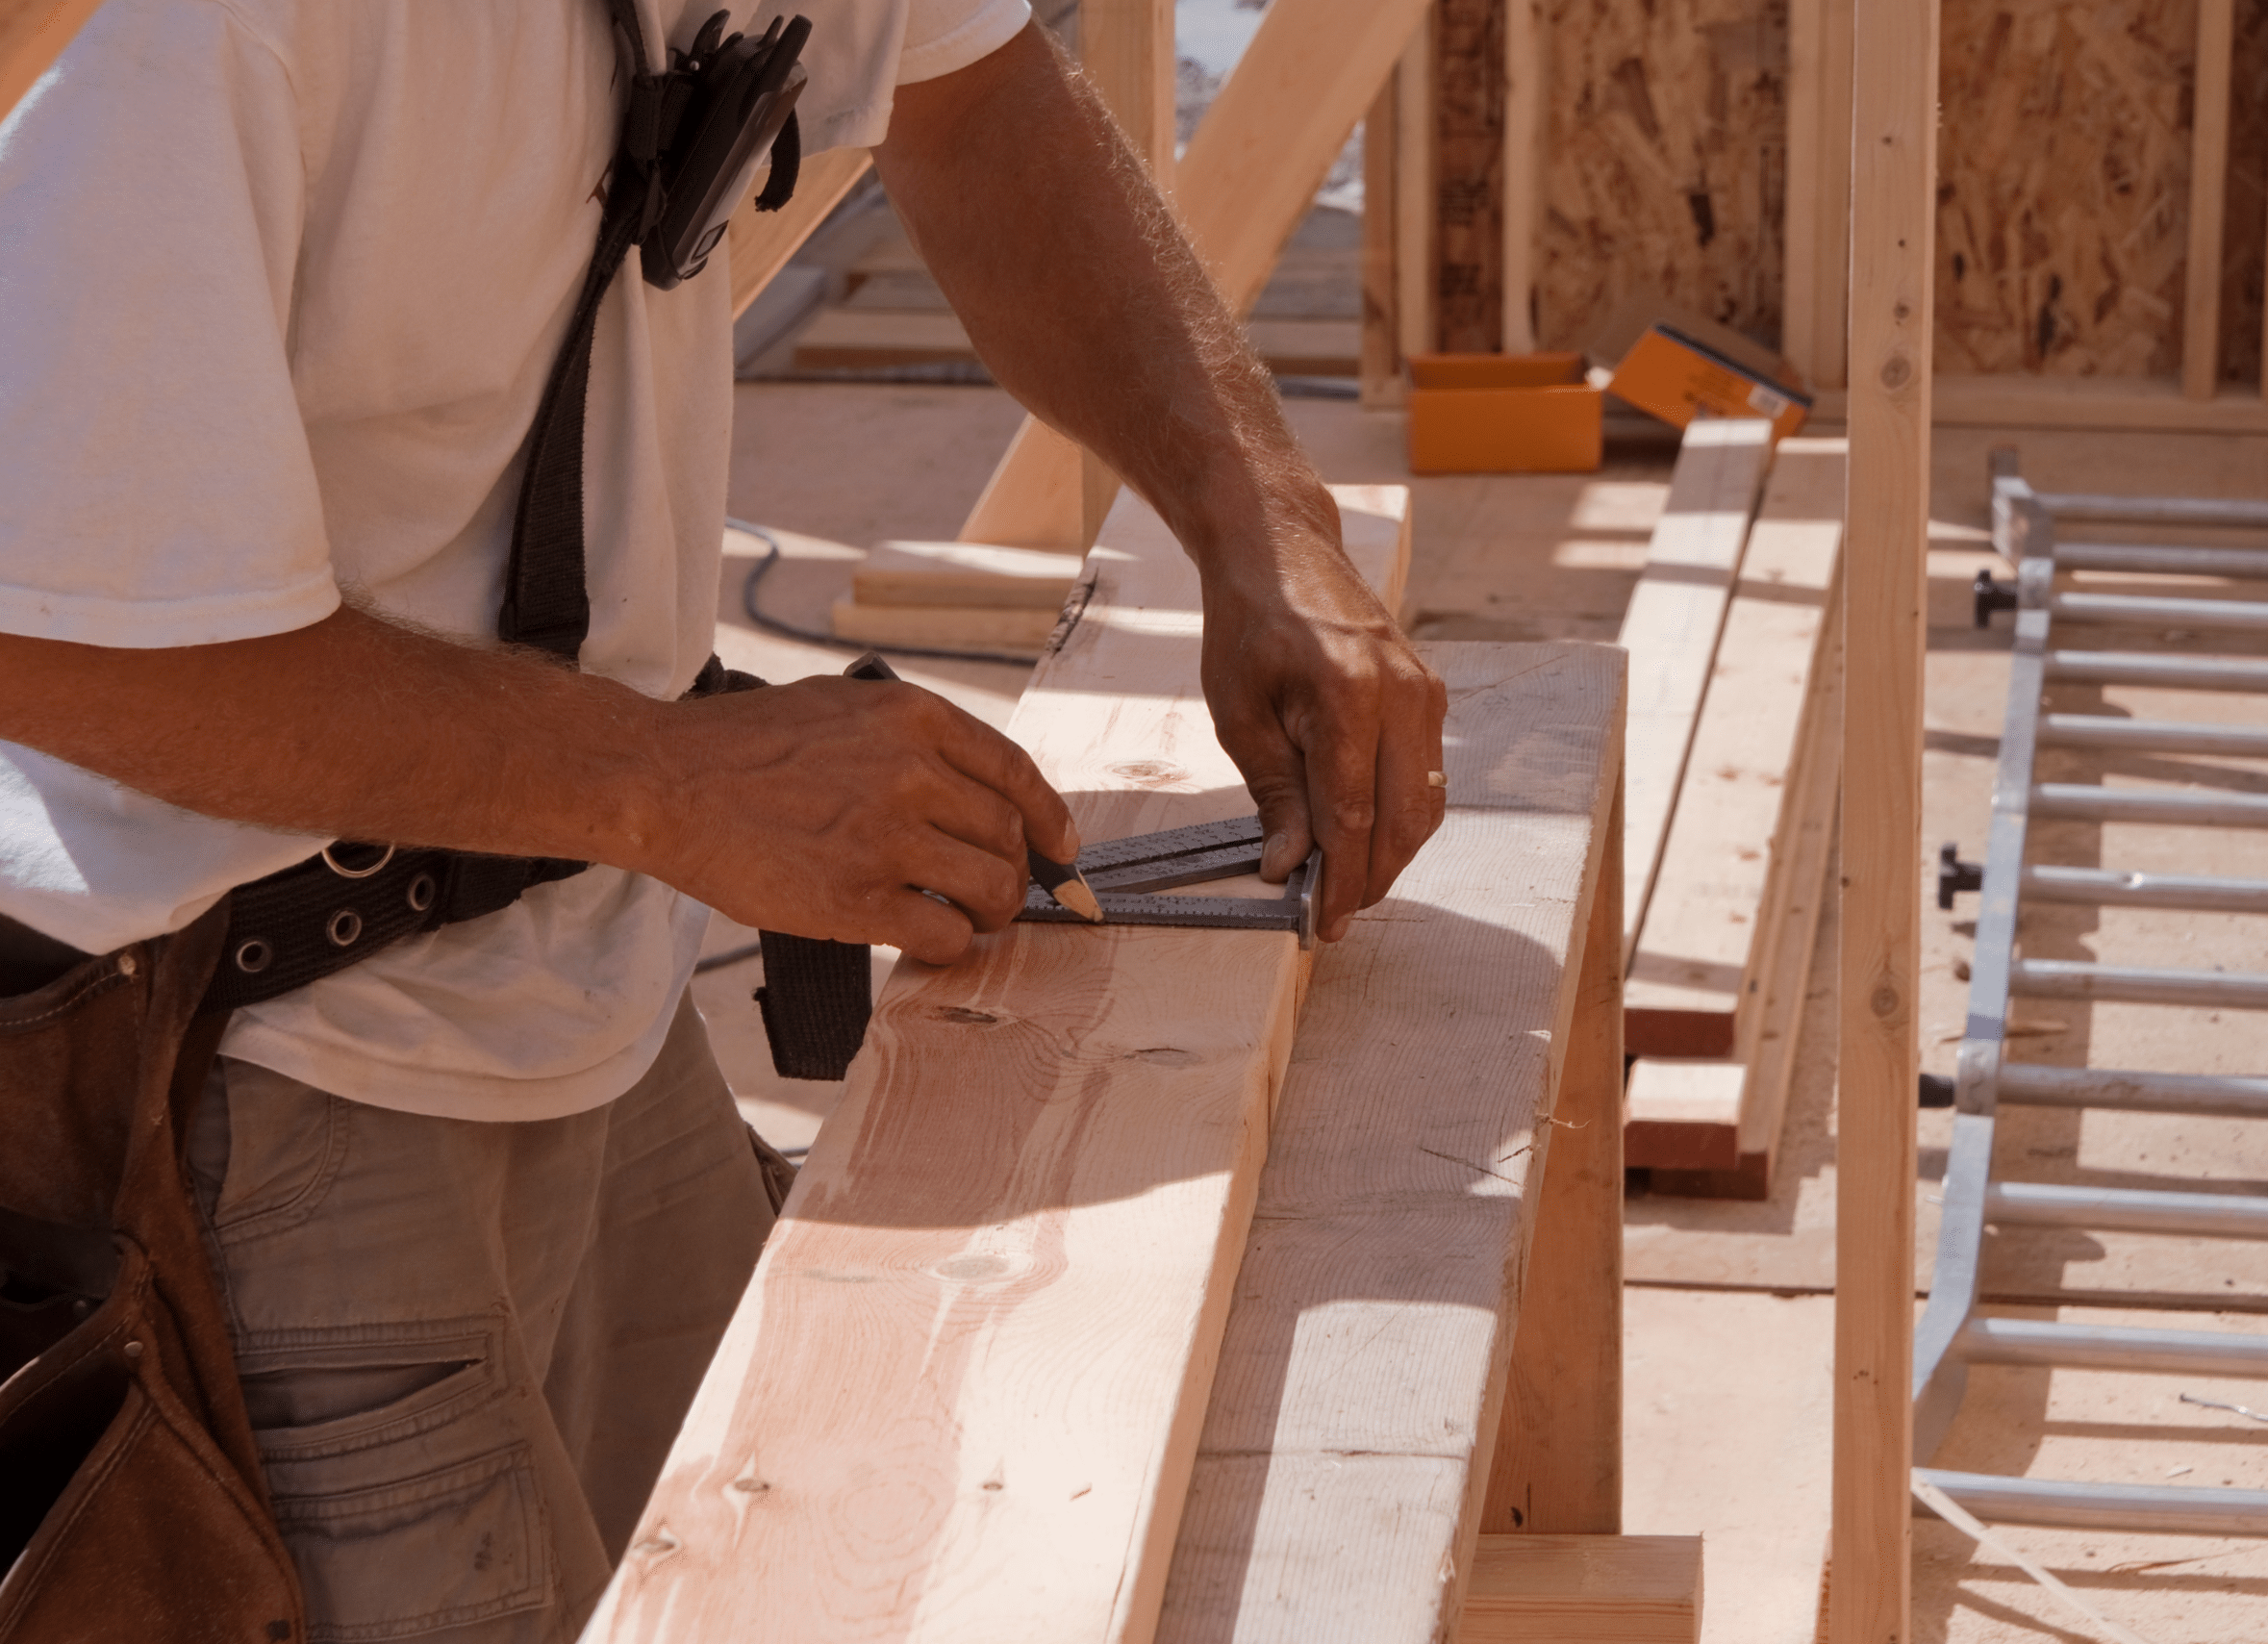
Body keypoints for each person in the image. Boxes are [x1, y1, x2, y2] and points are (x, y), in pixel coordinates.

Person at [0, 2, 1445, 1639]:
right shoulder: (178, 40)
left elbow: (972, 105)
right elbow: (52, 645)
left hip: (587, 973)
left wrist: (1257, 513)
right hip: (261, 1070)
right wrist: (669, 783)